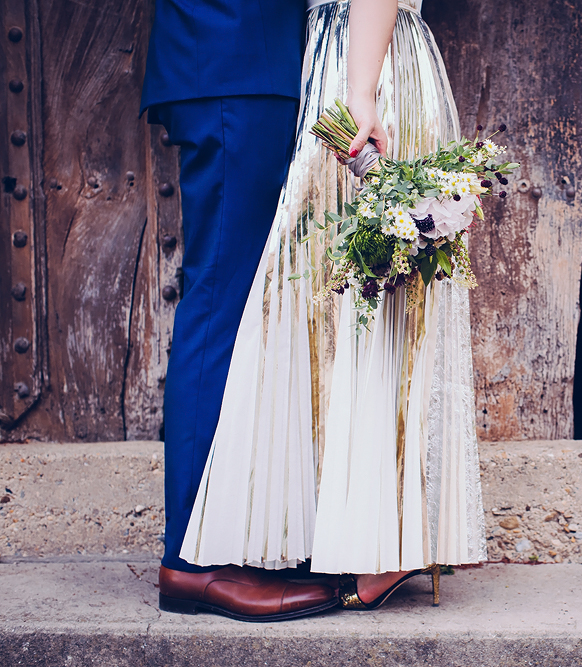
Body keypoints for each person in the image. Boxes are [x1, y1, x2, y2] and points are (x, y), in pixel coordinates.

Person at [172, 0, 487, 612]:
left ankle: (382, 544)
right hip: (342, 63)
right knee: (354, 297)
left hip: (359, 67)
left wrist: (360, 90)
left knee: (367, 296)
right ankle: (368, 535)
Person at [140, 0, 340, 621]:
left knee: (235, 299)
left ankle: (223, 538)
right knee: (221, 300)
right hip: (233, 60)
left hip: (241, 62)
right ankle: (194, 563)